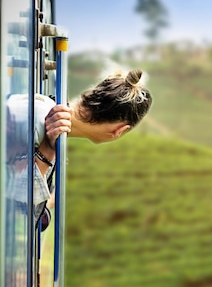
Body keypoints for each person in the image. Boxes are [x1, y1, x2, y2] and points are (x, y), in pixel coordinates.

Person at [6, 68, 153, 225]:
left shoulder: (46, 113)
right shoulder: (41, 120)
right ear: (119, 130)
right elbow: (15, 197)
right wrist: (48, 151)